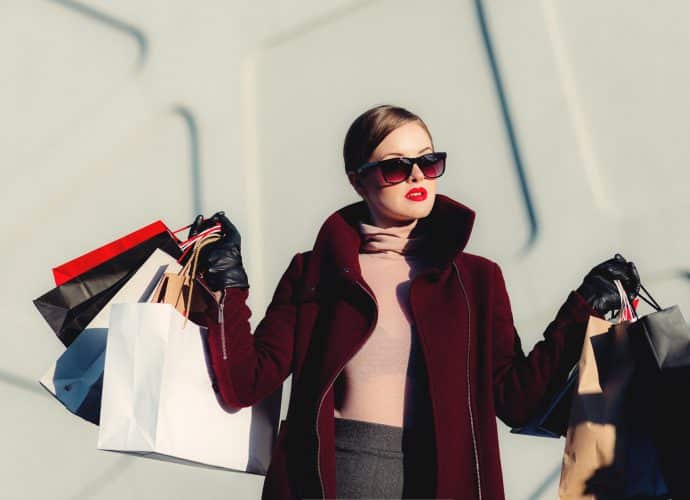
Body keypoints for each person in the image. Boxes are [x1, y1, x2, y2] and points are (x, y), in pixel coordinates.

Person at [188, 104, 640, 499]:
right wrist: (228, 286)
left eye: (429, 160)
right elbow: (245, 382)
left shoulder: (476, 280)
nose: (418, 176)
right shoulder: (316, 272)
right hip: (333, 481)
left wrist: (583, 308)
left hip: (444, 482)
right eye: (395, 167)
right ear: (358, 180)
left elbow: (517, 400)